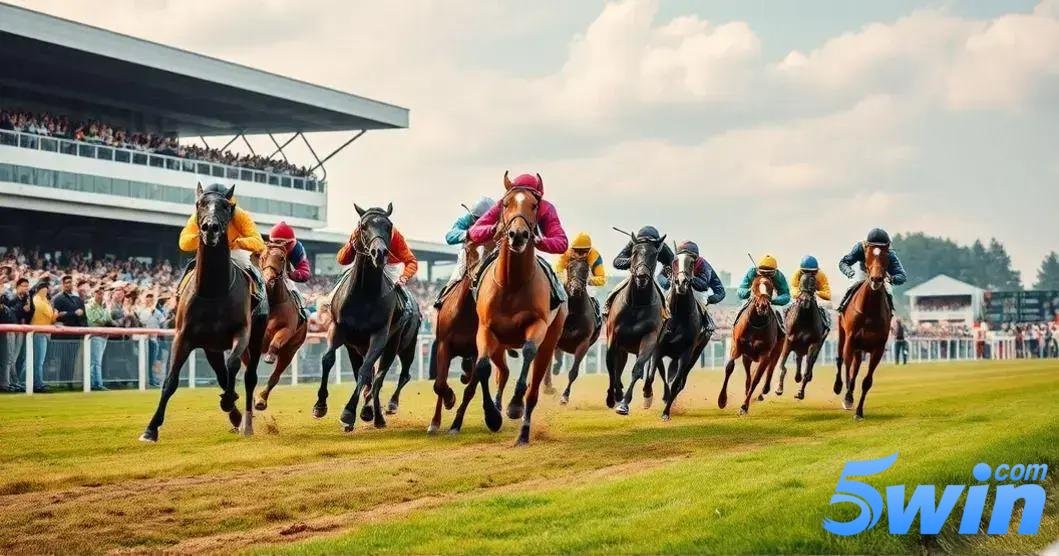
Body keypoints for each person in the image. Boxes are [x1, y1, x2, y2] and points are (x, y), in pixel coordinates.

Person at [467, 173, 569, 310]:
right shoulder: (504, 204)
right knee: (471, 279)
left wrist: (539, 241)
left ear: (537, 199)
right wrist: (494, 228)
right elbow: (474, 231)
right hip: (498, 251)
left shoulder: (546, 208)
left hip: (531, 255)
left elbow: (562, 242)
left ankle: (558, 306)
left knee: (559, 289)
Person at [177, 183, 267, 317]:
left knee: (248, 267)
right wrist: (202, 237)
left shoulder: (240, 215)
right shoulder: (198, 215)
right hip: (208, 250)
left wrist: (236, 242)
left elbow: (259, 243)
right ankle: (179, 293)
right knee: (191, 268)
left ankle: (259, 297)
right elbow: (184, 243)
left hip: (234, 251)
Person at [334, 212, 420, 315]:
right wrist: (350, 246)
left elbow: (411, 261)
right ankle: (329, 305)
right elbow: (342, 260)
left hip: (389, 267)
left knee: (396, 289)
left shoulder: (395, 235)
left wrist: (404, 277)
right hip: (361, 265)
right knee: (342, 281)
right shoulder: (359, 232)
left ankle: (406, 312)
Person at [432, 196, 494, 308]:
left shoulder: (498, 221)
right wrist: (468, 234)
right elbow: (450, 236)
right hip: (468, 254)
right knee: (456, 277)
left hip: (491, 254)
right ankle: (442, 300)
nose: (480, 222)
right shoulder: (468, 219)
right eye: (477, 219)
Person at [603, 226, 674, 318]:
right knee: (614, 291)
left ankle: (665, 316)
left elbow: (673, 263)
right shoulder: (634, 244)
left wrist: (667, 273)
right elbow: (617, 262)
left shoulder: (661, 246)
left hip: (651, 277)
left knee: (664, 297)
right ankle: (607, 307)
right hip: (635, 274)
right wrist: (633, 260)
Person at [657, 241, 725, 334]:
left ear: (695, 259)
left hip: (697, 289)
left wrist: (691, 279)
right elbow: (660, 276)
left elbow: (704, 285)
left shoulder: (702, 264)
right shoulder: (674, 262)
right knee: (666, 295)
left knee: (701, 298)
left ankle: (707, 320)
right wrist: (668, 283)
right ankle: (662, 320)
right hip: (676, 285)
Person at [836, 228, 907, 314]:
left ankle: (890, 313)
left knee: (889, 292)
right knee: (852, 287)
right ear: (867, 245)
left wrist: (892, 279)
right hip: (863, 273)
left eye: (882, 248)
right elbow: (843, 262)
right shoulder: (860, 247)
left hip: (882, 276)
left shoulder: (890, 253)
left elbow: (902, 276)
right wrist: (849, 272)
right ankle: (842, 308)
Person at [267, 221, 312, 315]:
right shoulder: (265, 247)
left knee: (300, 303)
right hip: (265, 275)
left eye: (282, 243)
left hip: (286, 278)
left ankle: (302, 314)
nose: (278, 247)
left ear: (290, 243)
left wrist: (290, 274)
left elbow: (305, 272)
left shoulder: (297, 249)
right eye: (275, 243)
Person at [734, 254, 791, 324]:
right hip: (752, 297)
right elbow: (741, 289)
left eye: (769, 273)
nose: (766, 275)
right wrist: (747, 292)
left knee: (779, 312)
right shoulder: (752, 272)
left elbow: (786, 295)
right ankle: (734, 327)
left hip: (772, 298)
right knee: (740, 312)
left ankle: (782, 329)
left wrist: (774, 300)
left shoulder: (779, 276)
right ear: (758, 269)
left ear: (774, 271)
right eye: (763, 272)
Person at [785, 255, 832, 337]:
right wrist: (800, 294)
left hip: (814, 297)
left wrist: (816, 293)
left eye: (813, 272)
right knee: (787, 308)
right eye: (806, 272)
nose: (809, 274)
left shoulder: (821, 275)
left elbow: (827, 294)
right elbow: (793, 289)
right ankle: (784, 327)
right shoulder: (797, 274)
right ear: (801, 271)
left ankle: (825, 327)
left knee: (826, 311)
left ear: (817, 271)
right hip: (799, 297)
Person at [1, 278, 30, 392]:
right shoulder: (11, 297)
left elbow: (26, 316)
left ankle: (13, 382)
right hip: (10, 329)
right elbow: (11, 312)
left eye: (27, 286)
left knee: (14, 358)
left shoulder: (25, 299)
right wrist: (22, 307)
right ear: (17, 286)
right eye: (23, 285)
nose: (26, 288)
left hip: (20, 329)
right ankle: (9, 383)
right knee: (9, 358)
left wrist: (28, 307)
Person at [29, 280, 58, 392]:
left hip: (44, 332)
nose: (46, 291)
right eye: (45, 288)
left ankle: (36, 382)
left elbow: (51, 318)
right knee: (38, 361)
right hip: (38, 332)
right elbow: (51, 316)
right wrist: (55, 313)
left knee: (37, 361)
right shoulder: (37, 300)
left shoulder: (45, 300)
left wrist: (54, 314)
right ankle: (37, 384)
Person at [85, 286, 114, 391]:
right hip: (95, 335)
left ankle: (97, 383)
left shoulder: (104, 306)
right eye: (98, 293)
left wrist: (106, 313)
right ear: (93, 294)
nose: (100, 295)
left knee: (98, 361)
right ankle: (96, 384)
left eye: (101, 293)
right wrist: (104, 317)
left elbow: (109, 319)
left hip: (103, 336)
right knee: (95, 361)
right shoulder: (88, 306)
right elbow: (94, 319)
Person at [136, 292, 166, 388]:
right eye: (147, 300)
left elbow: (162, 322)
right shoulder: (142, 311)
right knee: (149, 361)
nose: (149, 302)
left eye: (151, 300)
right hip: (144, 340)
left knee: (154, 361)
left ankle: (153, 380)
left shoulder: (157, 312)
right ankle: (150, 380)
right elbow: (142, 322)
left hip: (154, 339)